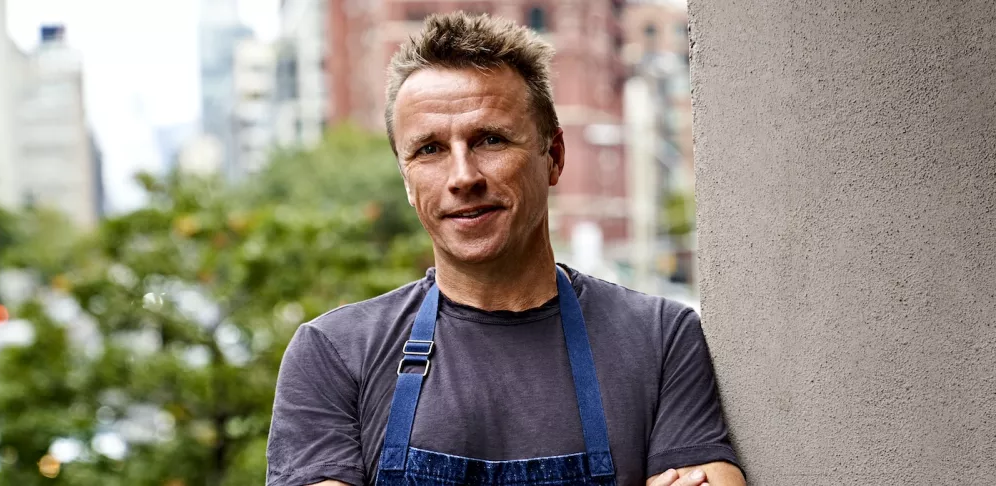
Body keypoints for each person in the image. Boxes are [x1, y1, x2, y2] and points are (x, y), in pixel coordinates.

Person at [265, 11, 745, 486]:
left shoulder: (660, 339)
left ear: (553, 157)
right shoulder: (334, 353)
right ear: (407, 181)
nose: (463, 177)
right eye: (429, 150)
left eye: (490, 139)